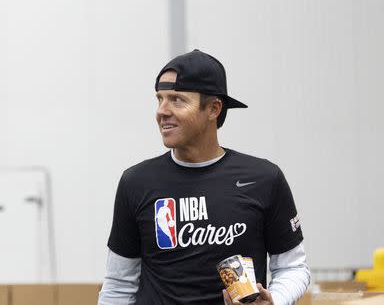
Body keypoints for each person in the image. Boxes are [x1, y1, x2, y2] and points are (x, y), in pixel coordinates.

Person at [98, 50, 311, 305]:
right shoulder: (136, 182)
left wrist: (274, 300)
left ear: (213, 108)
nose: (162, 111)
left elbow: (293, 268)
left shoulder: (264, 178)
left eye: (177, 100)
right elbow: (119, 285)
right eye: (160, 99)